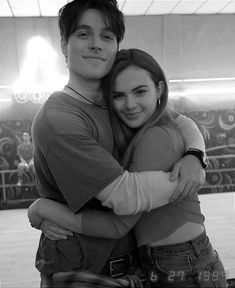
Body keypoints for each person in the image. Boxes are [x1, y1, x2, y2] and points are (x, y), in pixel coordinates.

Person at [28, 0, 207, 287]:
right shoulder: (59, 119)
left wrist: (196, 156)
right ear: (64, 44)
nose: (96, 44)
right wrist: (41, 208)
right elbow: (124, 196)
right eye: (83, 34)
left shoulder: (118, 98)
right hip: (83, 272)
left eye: (107, 36)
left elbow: (179, 121)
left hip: (138, 266)